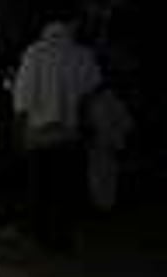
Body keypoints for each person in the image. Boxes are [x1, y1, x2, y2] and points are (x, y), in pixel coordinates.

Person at [12, 19, 102, 252]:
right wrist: (86, 124)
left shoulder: (34, 53)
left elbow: (22, 97)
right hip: (68, 133)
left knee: (40, 187)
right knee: (65, 188)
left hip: (38, 133)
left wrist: (19, 130)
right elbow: (89, 94)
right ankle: (61, 237)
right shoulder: (81, 55)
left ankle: (40, 237)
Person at [85, 83, 133, 211]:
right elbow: (126, 123)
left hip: (105, 144)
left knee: (105, 175)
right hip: (102, 144)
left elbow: (126, 123)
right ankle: (103, 204)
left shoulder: (107, 101)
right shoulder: (100, 101)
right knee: (102, 175)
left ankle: (104, 205)